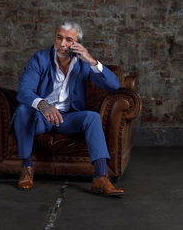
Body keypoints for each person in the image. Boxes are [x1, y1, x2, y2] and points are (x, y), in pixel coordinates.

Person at [11, 21, 124, 196]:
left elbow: (113, 85)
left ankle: (100, 177)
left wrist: (91, 60)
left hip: (67, 118)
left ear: (77, 43)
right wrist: (42, 105)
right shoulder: (40, 59)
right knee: (23, 110)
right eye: (59, 38)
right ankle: (26, 167)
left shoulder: (83, 63)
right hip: (41, 117)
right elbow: (24, 91)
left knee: (92, 117)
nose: (62, 44)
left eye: (68, 40)